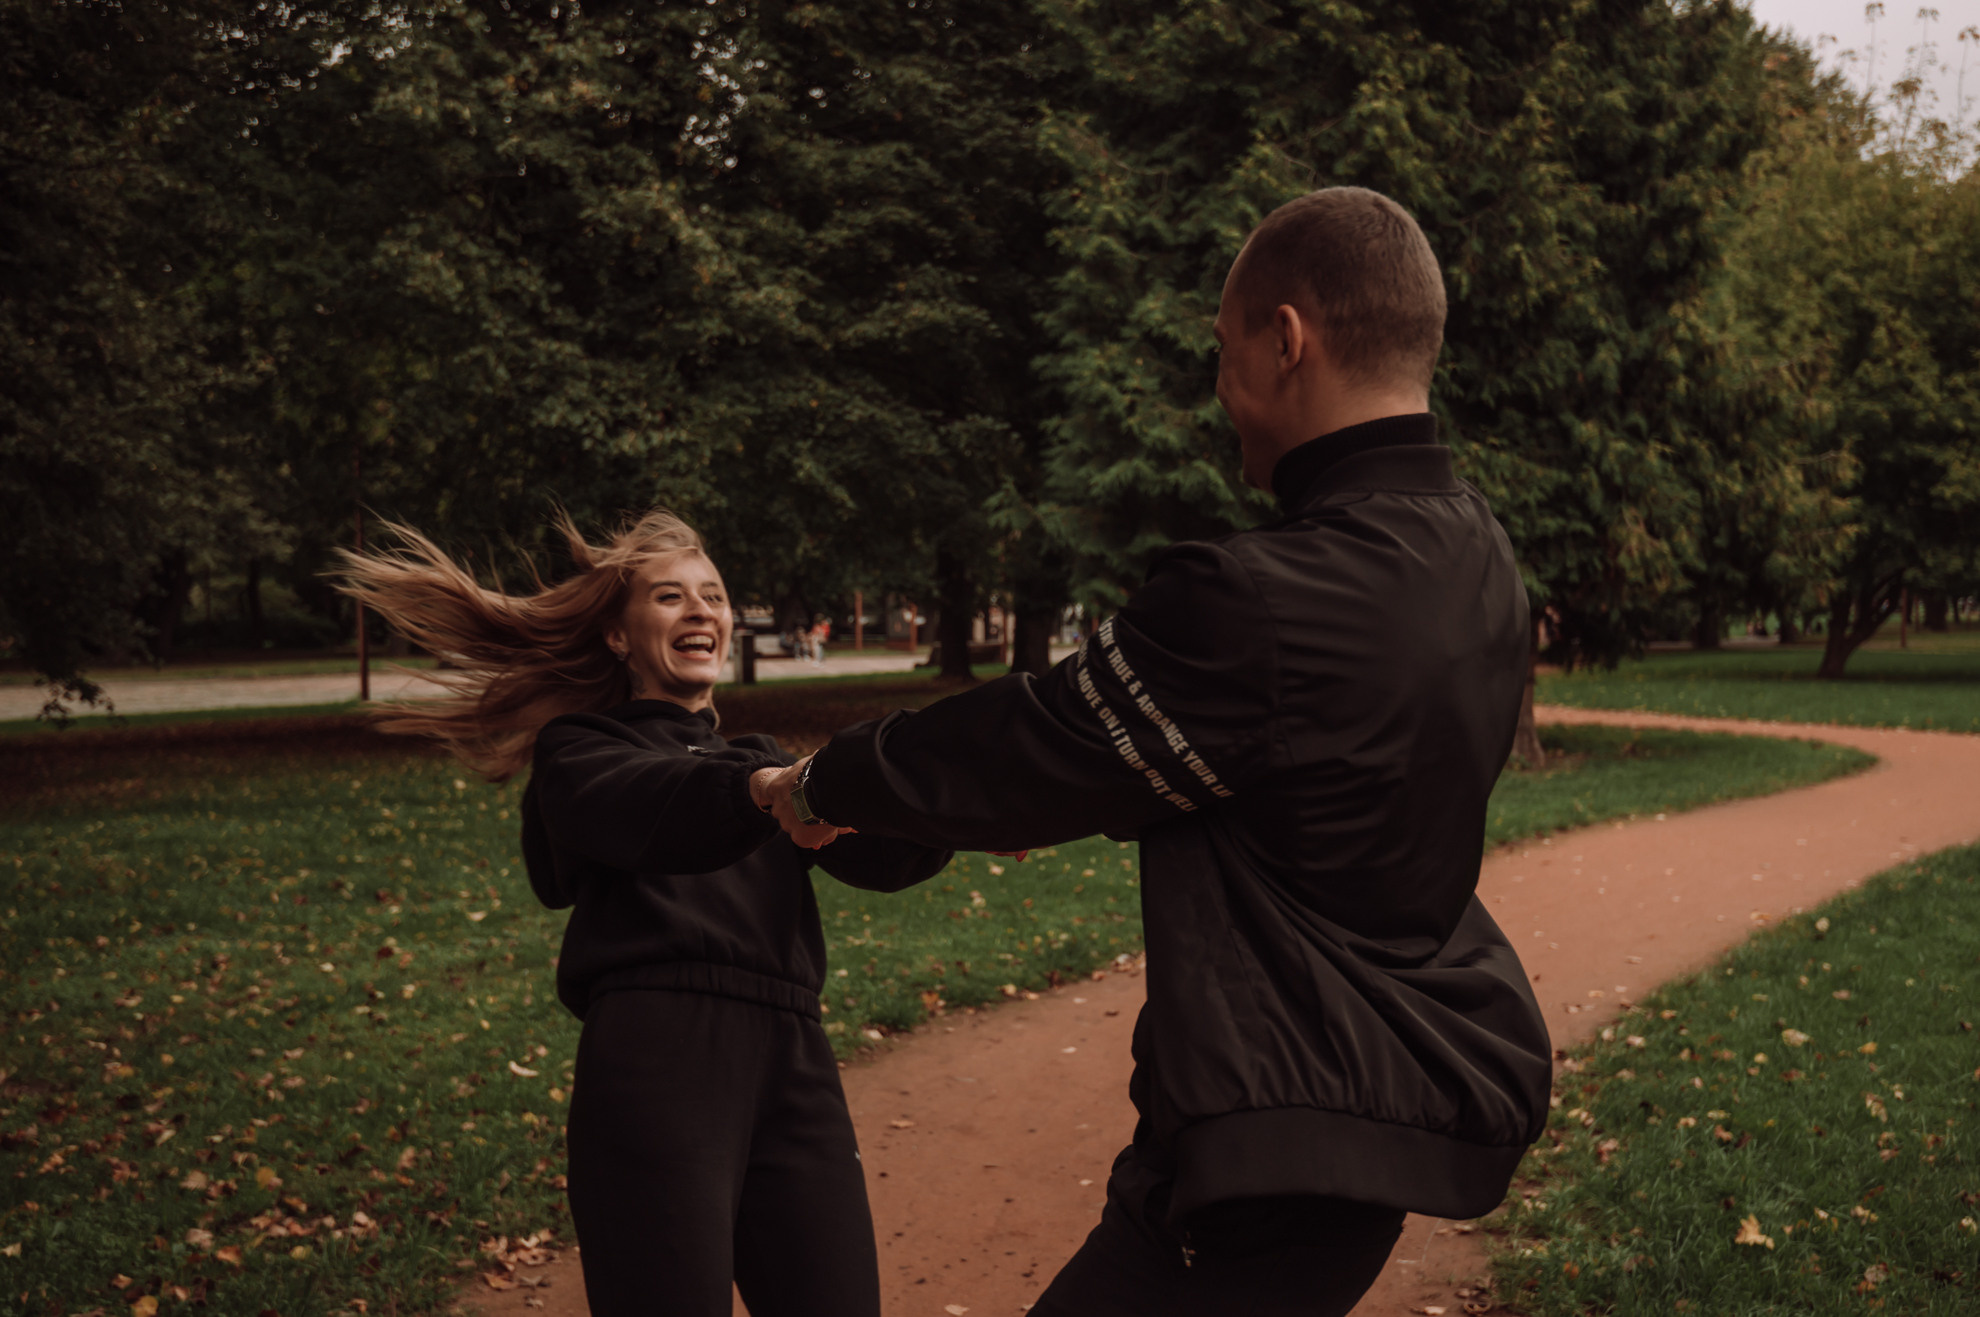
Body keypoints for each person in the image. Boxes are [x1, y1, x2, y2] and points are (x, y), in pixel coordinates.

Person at [760, 188, 1551, 1315]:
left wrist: (821, 781)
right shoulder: (1480, 557)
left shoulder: (1265, 596)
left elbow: (1031, 745)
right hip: (1373, 1115)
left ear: (1286, 341)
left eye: (1224, 355)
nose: (1221, 392)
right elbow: (1293, 775)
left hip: (1277, 1141)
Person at [335, 510, 951, 1317]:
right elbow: (645, 805)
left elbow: (878, 850)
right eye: (670, 596)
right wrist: (758, 790)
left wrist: (964, 816)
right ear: (619, 637)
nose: (702, 611)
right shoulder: (582, 751)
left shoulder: (762, 761)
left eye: (714, 596)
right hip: (658, 1058)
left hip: (795, 1060)